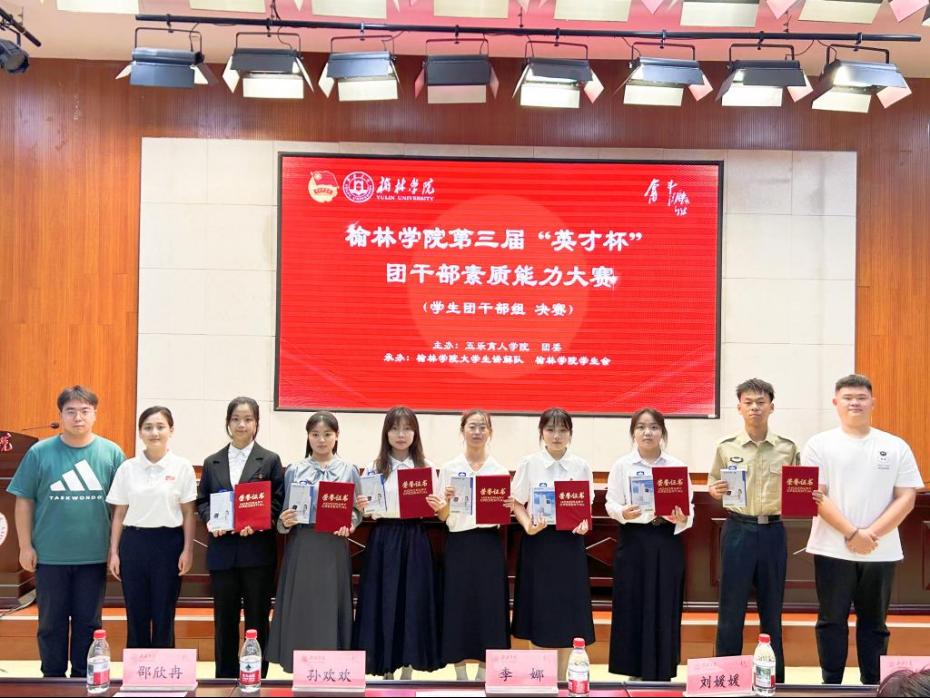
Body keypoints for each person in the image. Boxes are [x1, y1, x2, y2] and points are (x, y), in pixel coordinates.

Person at [805, 374, 922, 685]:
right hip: (831, 548)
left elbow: (907, 497)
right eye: (847, 397)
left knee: (875, 623)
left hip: (880, 551)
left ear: (873, 402)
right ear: (836, 402)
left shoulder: (894, 445)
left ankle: (874, 684)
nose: (854, 403)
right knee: (831, 621)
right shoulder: (818, 444)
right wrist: (852, 534)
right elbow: (816, 495)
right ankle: (831, 684)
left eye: (861, 397)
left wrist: (871, 535)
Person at [7, 385, 125, 678]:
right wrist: (25, 546)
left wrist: (114, 550)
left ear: (95, 414)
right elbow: (24, 501)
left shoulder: (111, 453)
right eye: (70, 411)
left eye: (85, 411)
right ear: (60, 415)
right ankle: (52, 678)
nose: (78, 417)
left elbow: (120, 508)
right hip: (50, 556)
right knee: (50, 623)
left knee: (89, 622)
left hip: (93, 556)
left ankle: (85, 677)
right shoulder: (39, 452)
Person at [708, 378, 798, 684]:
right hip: (738, 530)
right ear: (739, 408)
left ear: (772, 407)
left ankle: (773, 679)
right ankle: (725, 677)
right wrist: (715, 490)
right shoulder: (726, 447)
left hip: (773, 531)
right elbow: (713, 483)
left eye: (761, 402)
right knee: (730, 609)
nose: (755, 407)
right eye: (748, 402)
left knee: (772, 610)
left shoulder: (787, 448)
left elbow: (798, 487)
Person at [195, 397, 285, 679]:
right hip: (223, 552)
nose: (241, 425)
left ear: (256, 423)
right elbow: (202, 500)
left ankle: (256, 675)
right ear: (228, 423)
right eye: (236, 419)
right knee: (224, 619)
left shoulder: (269, 460)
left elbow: (277, 501)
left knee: (257, 618)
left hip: (256, 552)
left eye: (248, 419)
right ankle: (224, 677)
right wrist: (211, 520)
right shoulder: (212, 461)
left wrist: (258, 523)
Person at [267, 412, 362, 672]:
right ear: (308, 437)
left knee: (330, 607)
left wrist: (351, 523)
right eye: (315, 434)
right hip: (303, 545)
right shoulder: (294, 470)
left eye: (327, 434)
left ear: (337, 436)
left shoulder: (349, 470)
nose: (321, 440)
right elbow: (282, 518)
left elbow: (357, 511)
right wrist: (285, 521)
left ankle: (333, 667)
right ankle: (301, 665)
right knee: (303, 607)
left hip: (333, 547)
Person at [353, 406, 441, 678]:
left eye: (407, 428)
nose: (401, 435)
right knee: (384, 598)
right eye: (394, 428)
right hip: (384, 538)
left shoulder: (425, 467)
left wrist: (437, 504)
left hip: (415, 538)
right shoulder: (375, 467)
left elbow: (438, 510)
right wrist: (362, 504)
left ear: (415, 433)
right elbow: (366, 509)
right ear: (386, 433)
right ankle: (385, 666)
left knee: (412, 600)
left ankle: (408, 667)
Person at [606, 407, 692, 682]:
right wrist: (622, 512)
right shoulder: (622, 466)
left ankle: (662, 670)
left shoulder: (675, 466)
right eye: (641, 427)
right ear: (633, 433)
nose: (647, 432)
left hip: (666, 540)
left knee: (665, 603)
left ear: (662, 432)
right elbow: (611, 503)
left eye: (654, 427)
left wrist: (682, 517)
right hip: (634, 541)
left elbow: (689, 508)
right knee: (632, 602)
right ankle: (633, 670)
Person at [511, 407, 595, 680]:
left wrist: (584, 523)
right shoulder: (529, 463)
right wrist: (527, 525)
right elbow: (516, 502)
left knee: (569, 614)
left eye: (562, 430)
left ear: (570, 434)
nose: (556, 436)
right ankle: (538, 679)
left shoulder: (581, 466)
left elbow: (586, 507)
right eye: (550, 430)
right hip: (539, 545)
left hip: (570, 546)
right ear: (541, 433)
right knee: (538, 612)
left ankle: (561, 680)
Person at [429, 410, 511, 681]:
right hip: (459, 544)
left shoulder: (499, 471)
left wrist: (507, 506)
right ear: (462, 430)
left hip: (488, 544)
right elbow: (442, 516)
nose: (477, 432)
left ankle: (484, 674)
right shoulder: (450, 468)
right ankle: (461, 674)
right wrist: (446, 502)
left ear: (490, 432)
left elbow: (503, 516)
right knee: (458, 605)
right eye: (472, 426)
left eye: (482, 427)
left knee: (490, 607)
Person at [106, 406, 197, 648]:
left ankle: (164, 666)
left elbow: (188, 513)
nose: (154, 432)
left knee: (164, 611)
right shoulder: (127, 468)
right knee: (135, 611)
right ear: (140, 432)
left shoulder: (182, 467)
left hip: (169, 544)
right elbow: (119, 513)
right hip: (134, 544)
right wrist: (114, 552)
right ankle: (138, 667)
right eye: (148, 427)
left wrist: (187, 550)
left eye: (160, 427)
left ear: (171, 430)